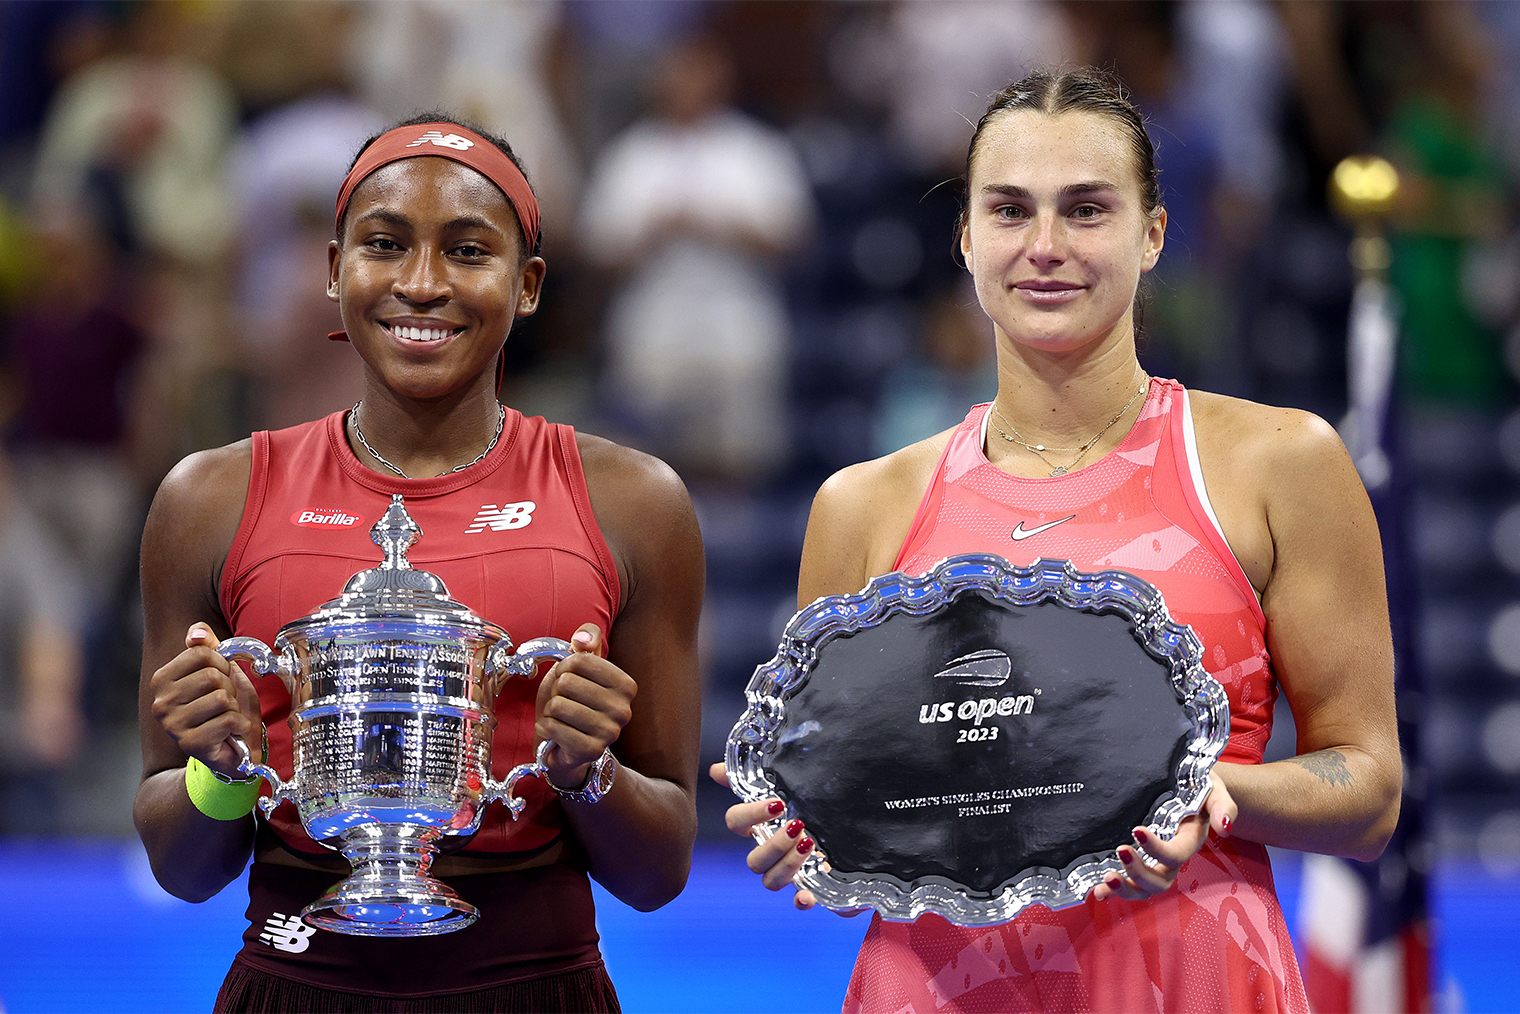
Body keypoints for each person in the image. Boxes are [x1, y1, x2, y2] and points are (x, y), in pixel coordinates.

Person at [715, 68, 1400, 1013]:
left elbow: (1367, 789)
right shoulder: (861, 506)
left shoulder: (1281, 463)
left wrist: (1206, 792)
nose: (1044, 247)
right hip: (936, 985)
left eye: (1085, 210)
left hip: (1188, 976)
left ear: (1152, 233)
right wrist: (815, 825)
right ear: (965, 239)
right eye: (1009, 211)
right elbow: (865, 786)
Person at [134, 114, 704, 1012]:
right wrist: (224, 766)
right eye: (385, 245)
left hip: (539, 990)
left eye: (469, 251)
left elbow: (659, 868)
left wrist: (586, 772)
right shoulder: (208, 499)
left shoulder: (635, 503)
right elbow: (183, 868)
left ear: (528, 285)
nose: (423, 284)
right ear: (334, 271)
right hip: (295, 981)